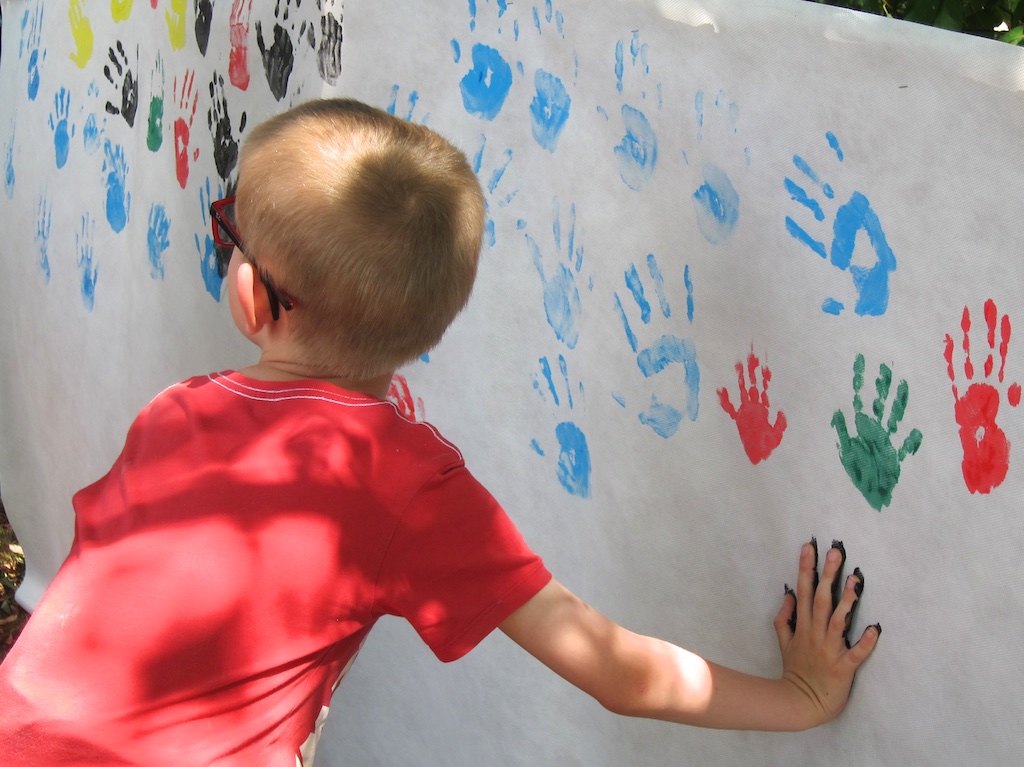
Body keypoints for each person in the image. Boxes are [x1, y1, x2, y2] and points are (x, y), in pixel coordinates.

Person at [0, 98, 879, 765]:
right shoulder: (407, 484)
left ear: (252, 295)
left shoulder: (173, 412)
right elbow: (613, 667)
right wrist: (800, 696)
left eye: (231, 231)